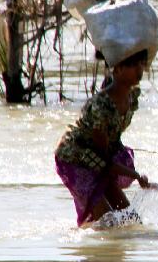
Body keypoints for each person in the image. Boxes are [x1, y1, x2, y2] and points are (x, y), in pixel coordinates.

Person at [55, 49, 152, 228]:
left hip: (100, 159)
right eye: (132, 65)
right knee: (108, 224)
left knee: (132, 220)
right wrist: (136, 175)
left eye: (141, 64)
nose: (139, 70)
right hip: (76, 159)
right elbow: (104, 160)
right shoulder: (101, 106)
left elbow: (113, 141)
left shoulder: (131, 98)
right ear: (117, 69)